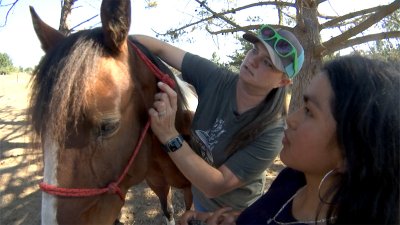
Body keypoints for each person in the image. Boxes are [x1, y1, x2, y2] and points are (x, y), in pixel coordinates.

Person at [178, 55, 400, 225]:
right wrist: (238, 219)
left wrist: (170, 136)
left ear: (351, 155)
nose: (291, 120)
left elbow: (215, 184)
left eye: (310, 112)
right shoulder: (293, 180)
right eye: (302, 105)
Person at [134, 24, 305, 212]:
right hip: (198, 203)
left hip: (233, 215)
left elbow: (215, 186)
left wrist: (168, 135)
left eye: (267, 63)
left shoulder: (272, 131)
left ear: (283, 82)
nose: (253, 60)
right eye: (255, 50)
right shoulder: (216, 79)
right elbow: (160, 48)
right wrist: (109, 42)